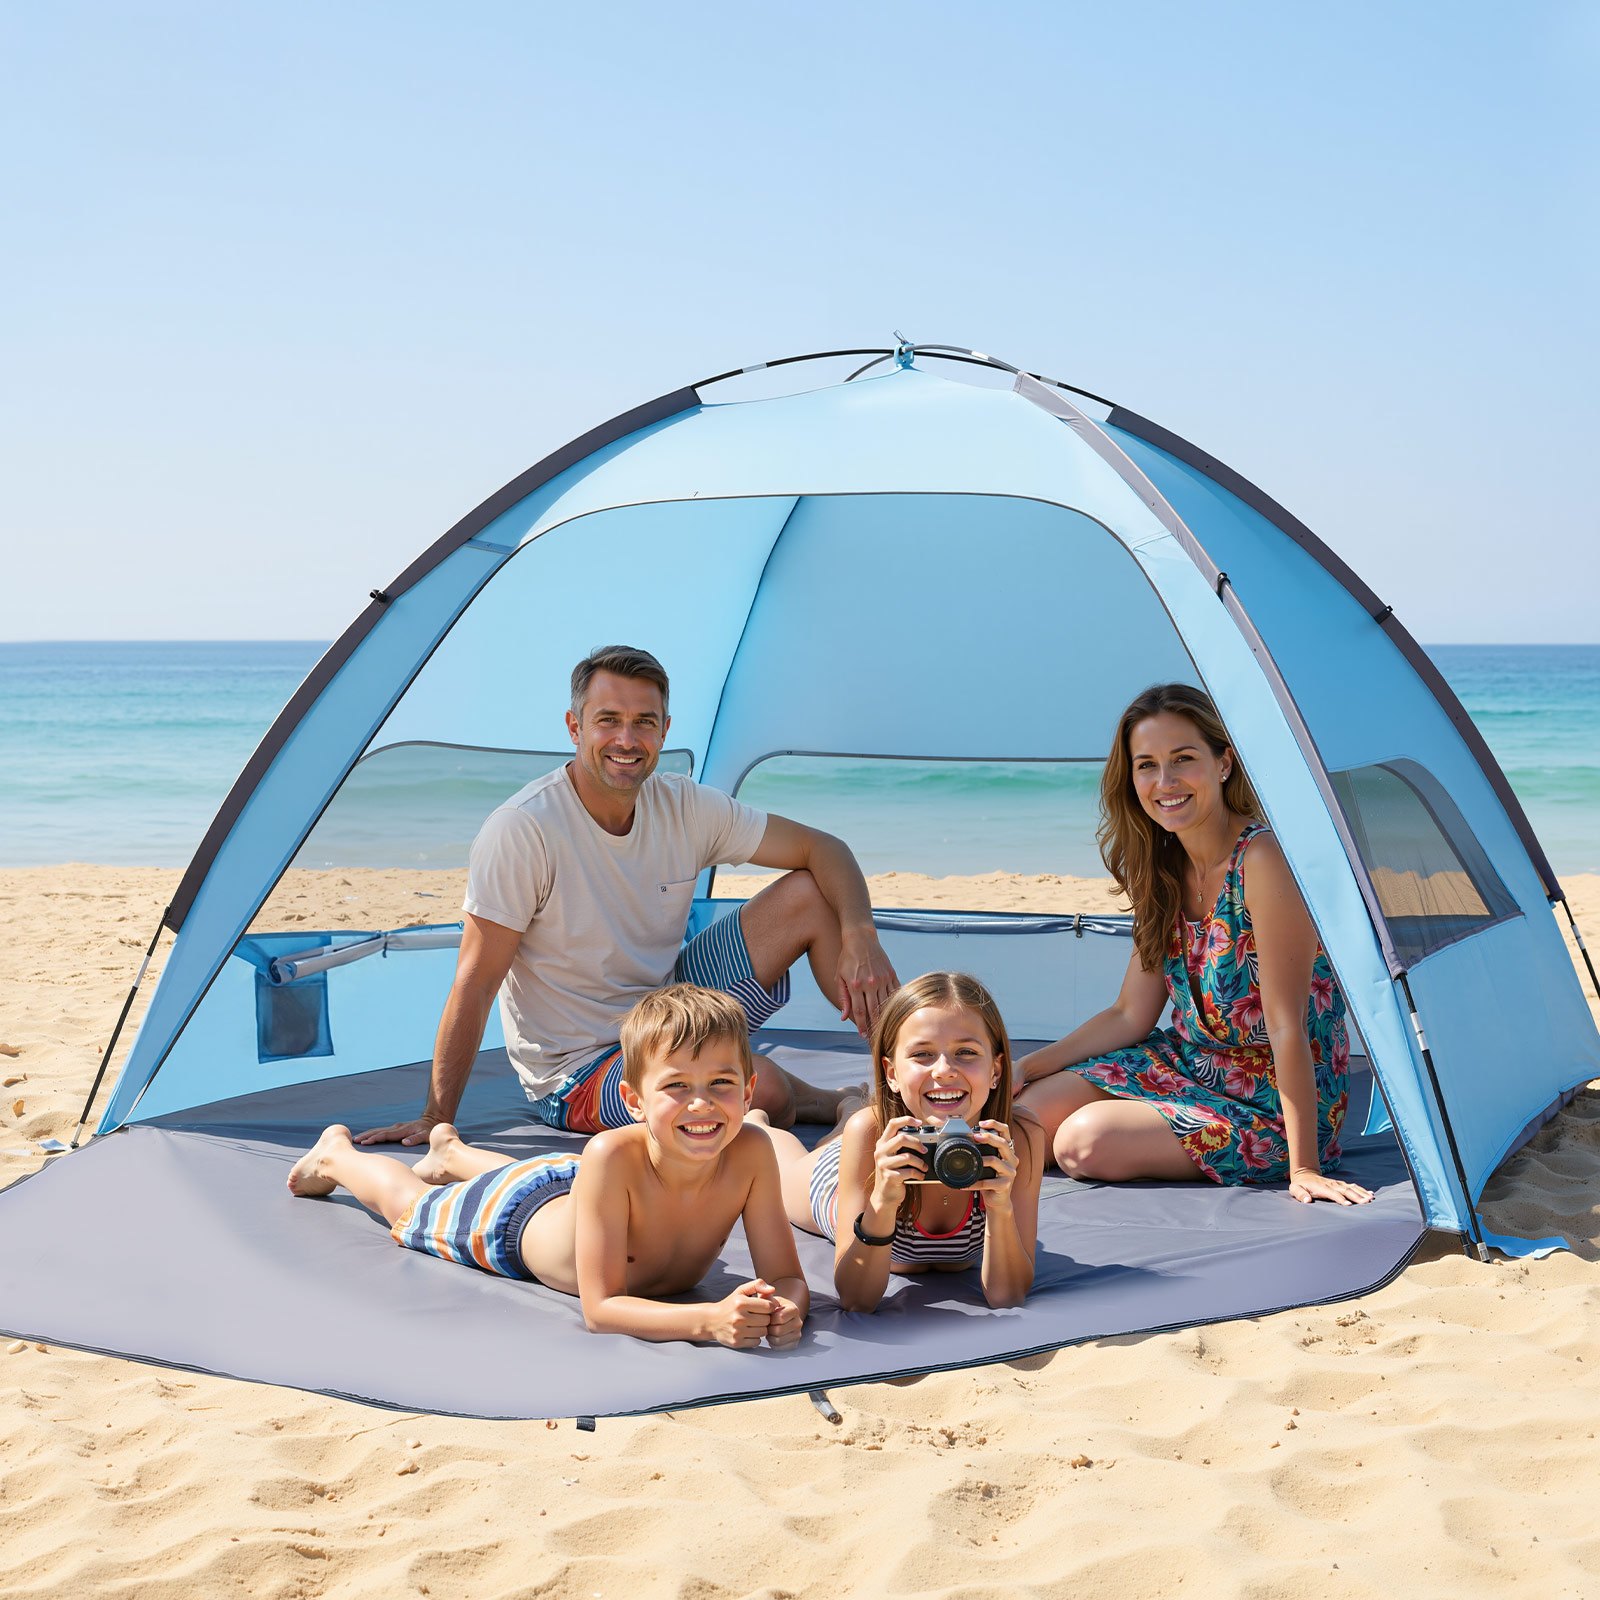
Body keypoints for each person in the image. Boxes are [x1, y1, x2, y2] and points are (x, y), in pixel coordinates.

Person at [356, 645, 898, 1146]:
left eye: (643, 722)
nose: (626, 739)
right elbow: (473, 983)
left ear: (664, 730)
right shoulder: (524, 829)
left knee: (809, 893)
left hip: (664, 1003)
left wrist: (860, 936)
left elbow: (824, 848)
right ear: (575, 727)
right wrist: (436, 1117)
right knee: (762, 1085)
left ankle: (901, 1075)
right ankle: (840, 1105)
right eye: (608, 720)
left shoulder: (685, 806)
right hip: (578, 1068)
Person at [289, 986, 809, 1347]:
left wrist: (787, 1307)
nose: (701, 1104)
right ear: (634, 1101)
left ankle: (453, 1153)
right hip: (514, 1219)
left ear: (747, 1091)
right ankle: (339, 1155)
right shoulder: (612, 1154)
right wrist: (708, 1320)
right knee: (411, 1207)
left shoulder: (752, 1150)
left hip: (575, 1188)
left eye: (720, 1084)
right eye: (676, 1086)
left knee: (544, 1174)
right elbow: (601, 1309)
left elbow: (786, 1276)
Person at [1014, 683, 1372, 1206]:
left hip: (1275, 1101)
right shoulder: (1160, 866)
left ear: (1223, 763)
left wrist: (1306, 1168)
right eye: (1147, 765)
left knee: (1081, 1143)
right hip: (1189, 1064)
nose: (1165, 782)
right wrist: (1030, 1065)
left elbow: (1285, 1024)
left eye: (1183, 759)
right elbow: (1129, 1015)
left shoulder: (1262, 859)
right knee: (1022, 1120)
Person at [756, 971, 1046, 1311]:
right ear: (892, 1073)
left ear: (996, 1070)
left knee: (859, 1124)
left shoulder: (1019, 1136)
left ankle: (849, 1107)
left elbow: (1007, 1295)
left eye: (965, 1052)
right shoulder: (870, 1135)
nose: (944, 1070)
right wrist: (881, 1200)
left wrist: (999, 1206)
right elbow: (856, 1299)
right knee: (774, 1152)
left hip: (871, 1136)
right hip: (844, 1176)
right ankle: (804, 1116)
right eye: (922, 1054)